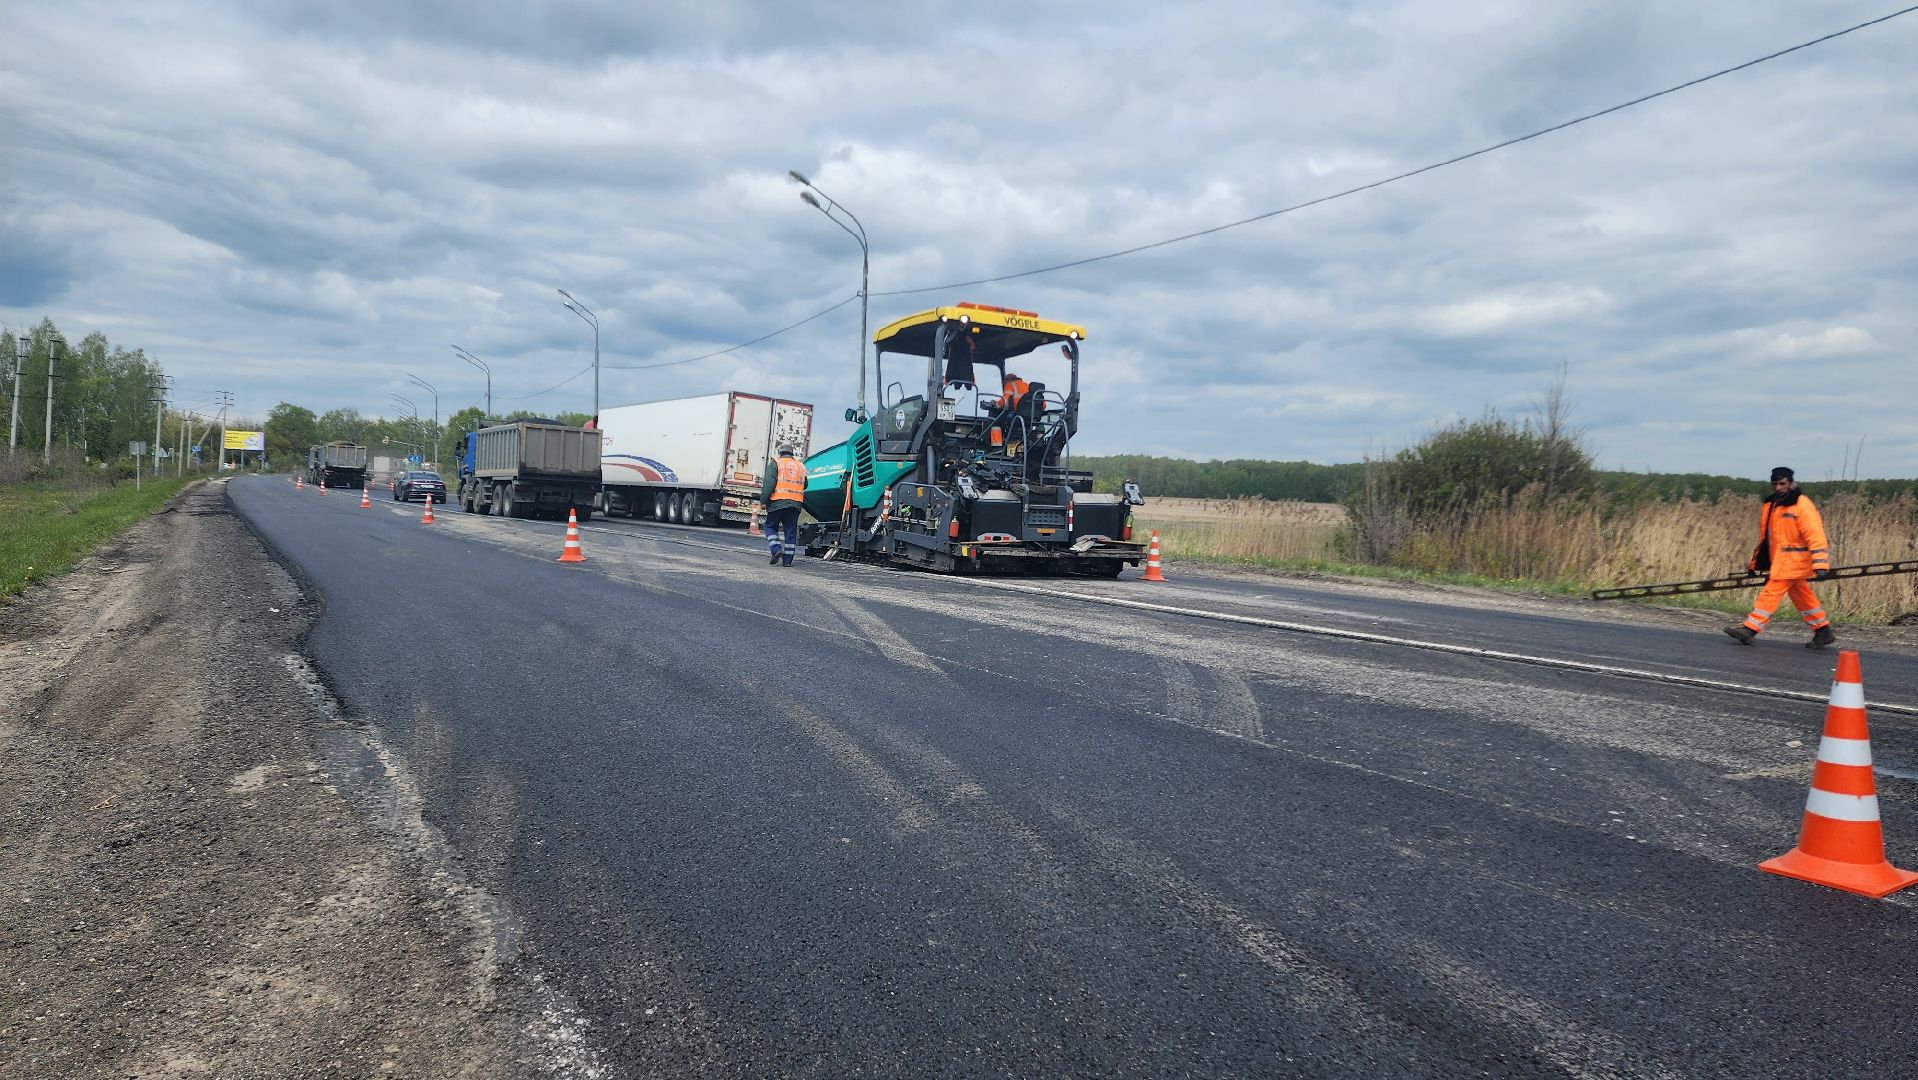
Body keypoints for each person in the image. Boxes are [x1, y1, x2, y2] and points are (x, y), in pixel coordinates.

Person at [1725, 466, 1835, 649]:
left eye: (1782, 484)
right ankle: (1823, 631)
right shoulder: (1772, 505)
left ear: (1791, 483)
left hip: (1795, 562)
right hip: (1782, 562)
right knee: (1802, 595)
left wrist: (1821, 562)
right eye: (1774, 484)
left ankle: (1750, 629)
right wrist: (1756, 563)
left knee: (1772, 592)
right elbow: (1766, 539)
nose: (1778, 488)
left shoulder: (1801, 504)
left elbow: (1815, 534)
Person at [761, 443, 806, 567]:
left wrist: (763, 501)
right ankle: (787, 561)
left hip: (777, 502)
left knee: (770, 527)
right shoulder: (800, 466)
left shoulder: (776, 463)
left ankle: (776, 550)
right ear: (792, 453)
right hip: (795, 504)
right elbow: (805, 484)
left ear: (780, 453)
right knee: (790, 531)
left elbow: (768, 484)